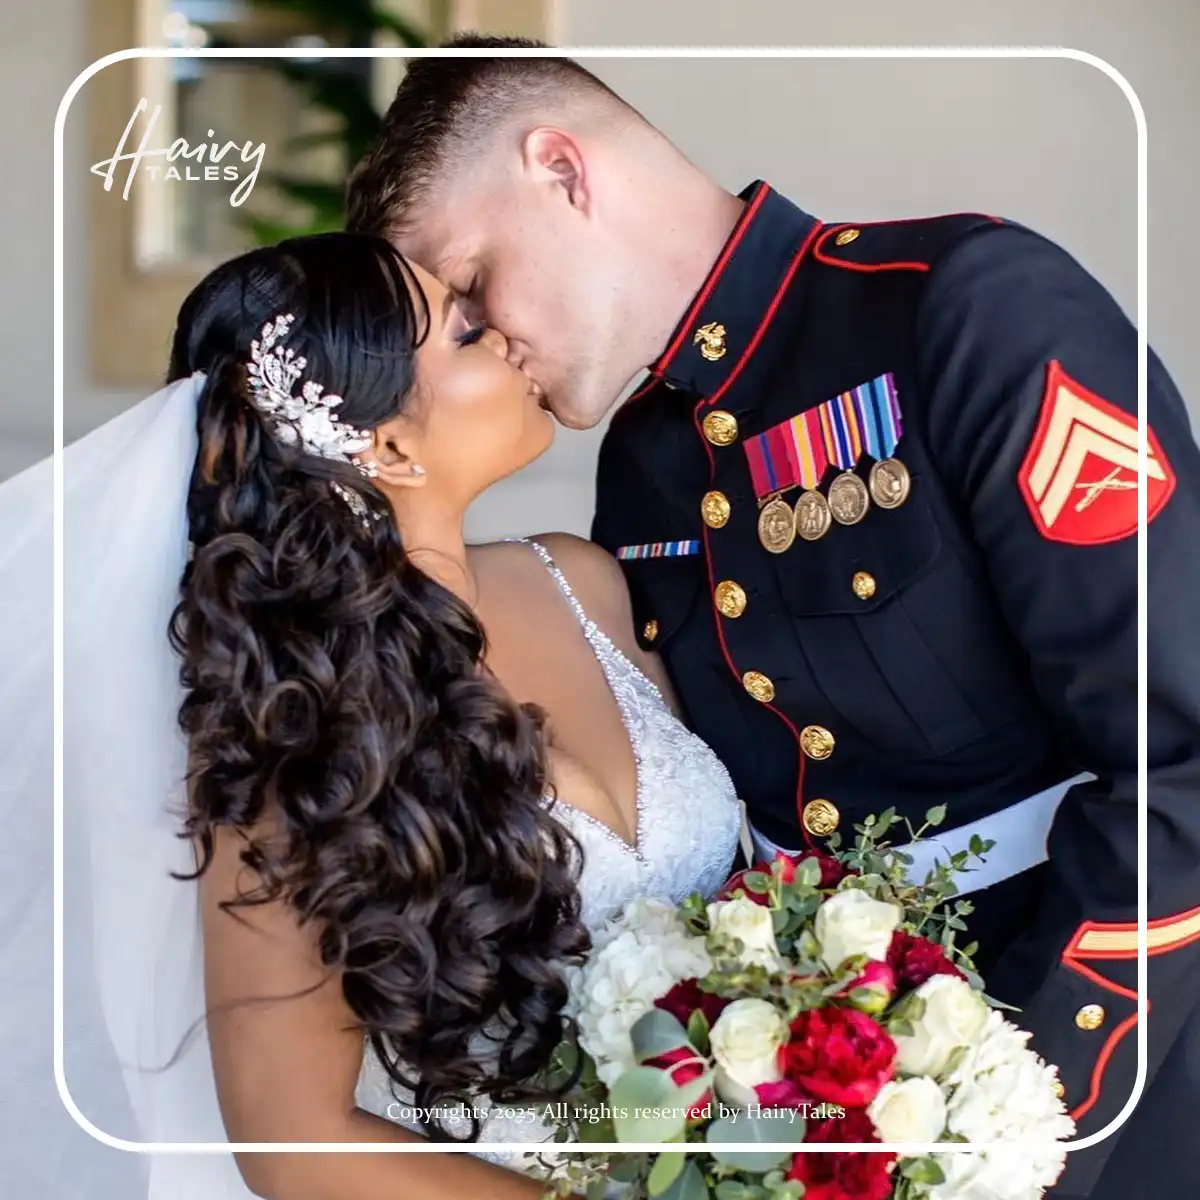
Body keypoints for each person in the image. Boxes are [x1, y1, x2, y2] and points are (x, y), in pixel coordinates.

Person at [344, 36, 1200, 1198]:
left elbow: (1182, 757)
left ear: (561, 169)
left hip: (1106, 1096)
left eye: (475, 284)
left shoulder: (964, 308)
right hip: (823, 1134)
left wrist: (1022, 1116)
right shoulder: (647, 460)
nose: (489, 342)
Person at [0, 231, 740, 1198]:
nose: (511, 336)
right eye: (470, 332)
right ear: (388, 445)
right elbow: (289, 1139)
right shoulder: (296, 728)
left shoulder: (583, 580)